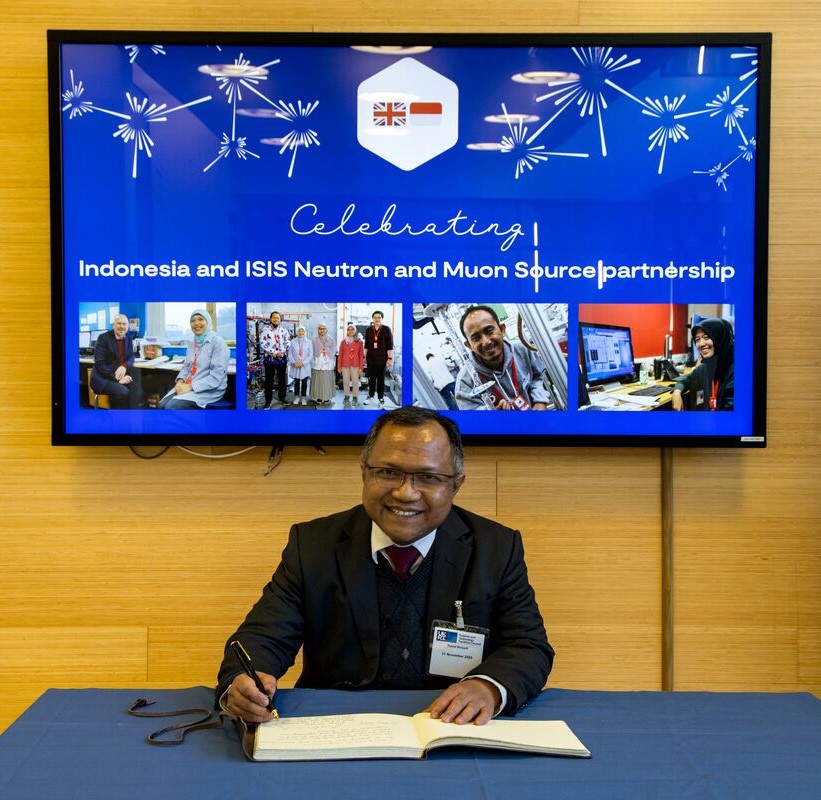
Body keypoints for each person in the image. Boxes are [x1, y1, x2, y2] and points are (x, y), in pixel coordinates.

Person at [217, 406, 554, 727]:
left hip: (448, 726)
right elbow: (263, 637)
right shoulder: (314, 545)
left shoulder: (495, 548)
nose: (406, 493)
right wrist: (243, 681)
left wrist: (488, 687)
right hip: (337, 725)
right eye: (388, 472)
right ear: (364, 472)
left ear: (456, 484)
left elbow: (528, 646)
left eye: (428, 477)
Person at [455, 305, 553, 411]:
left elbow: (538, 376)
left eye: (489, 331)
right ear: (469, 345)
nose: (486, 342)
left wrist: (539, 401)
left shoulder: (523, 352)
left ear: (502, 329)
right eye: (476, 338)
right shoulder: (465, 382)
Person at [158, 309, 229, 409]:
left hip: (209, 389)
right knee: (161, 405)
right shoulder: (192, 342)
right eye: (193, 321)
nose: (196, 323)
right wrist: (180, 382)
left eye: (200, 319)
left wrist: (190, 387)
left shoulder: (218, 342)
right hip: (188, 384)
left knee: (171, 407)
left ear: (208, 322)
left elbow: (216, 376)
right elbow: (186, 367)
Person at [671, 317, 734, 411]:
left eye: (706, 337)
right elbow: (685, 380)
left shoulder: (735, 369)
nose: (701, 344)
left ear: (719, 338)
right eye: (697, 339)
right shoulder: (706, 366)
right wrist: (676, 392)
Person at [89, 313, 143, 408]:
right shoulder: (103, 338)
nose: (122, 326)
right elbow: (100, 364)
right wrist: (117, 378)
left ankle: (129, 416)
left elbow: (131, 357)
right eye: (119, 323)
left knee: (138, 392)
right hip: (102, 378)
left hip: (119, 375)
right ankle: (117, 416)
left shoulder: (128, 338)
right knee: (123, 392)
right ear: (114, 325)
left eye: (124, 324)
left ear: (128, 326)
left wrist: (124, 366)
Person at [260, 311, 291, 408]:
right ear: (270, 319)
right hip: (270, 358)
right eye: (274, 317)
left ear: (280, 320)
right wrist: (274, 352)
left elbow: (288, 342)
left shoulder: (284, 330)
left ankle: (282, 397)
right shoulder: (265, 330)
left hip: (282, 358)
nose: (276, 319)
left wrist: (282, 351)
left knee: (282, 379)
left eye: (278, 318)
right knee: (269, 380)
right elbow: (263, 343)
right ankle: (268, 401)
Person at [364, 310, 394, 408]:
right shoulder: (369, 330)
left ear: (382, 318)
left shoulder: (386, 329)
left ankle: (381, 397)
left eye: (379, 317)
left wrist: (390, 358)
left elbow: (390, 345)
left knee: (381, 379)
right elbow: (366, 345)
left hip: (382, 359)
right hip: (371, 359)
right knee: (371, 379)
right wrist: (365, 357)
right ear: (372, 318)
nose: (377, 319)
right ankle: (370, 395)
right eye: (375, 317)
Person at [337, 322, 365, 408]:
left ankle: (355, 397)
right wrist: (339, 366)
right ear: (347, 331)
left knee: (355, 382)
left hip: (355, 365)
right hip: (345, 365)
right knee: (345, 382)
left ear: (355, 331)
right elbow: (340, 355)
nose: (350, 331)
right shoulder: (343, 342)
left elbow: (361, 355)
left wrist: (361, 367)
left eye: (352, 329)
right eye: (349, 329)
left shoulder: (359, 342)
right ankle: (346, 396)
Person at [310, 323, 336, 405]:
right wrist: (315, 358)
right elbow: (311, 351)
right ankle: (318, 396)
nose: (322, 330)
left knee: (327, 380)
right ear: (318, 330)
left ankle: (327, 397)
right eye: (320, 328)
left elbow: (334, 350)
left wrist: (329, 357)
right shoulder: (314, 340)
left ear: (326, 330)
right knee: (318, 379)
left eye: (324, 328)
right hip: (317, 361)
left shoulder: (331, 339)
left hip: (328, 362)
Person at [288, 326, 313, 406]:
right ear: (297, 332)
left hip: (304, 366)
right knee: (296, 382)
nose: (301, 332)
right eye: (299, 331)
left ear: (305, 332)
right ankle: (296, 397)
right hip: (295, 365)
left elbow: (310, 355)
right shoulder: (292, 341)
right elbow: (290, 353)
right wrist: (294, 362)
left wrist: (303, 363)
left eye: (303, 331)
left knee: (304, 382)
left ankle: (303, 397)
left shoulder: (309, 342)